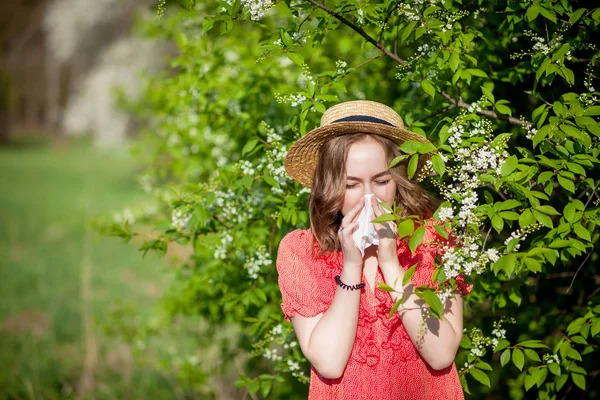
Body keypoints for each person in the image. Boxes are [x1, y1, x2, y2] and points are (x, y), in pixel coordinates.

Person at [277, 100, 471, 399]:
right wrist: (352, 267)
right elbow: (329, 363)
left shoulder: (434, 239)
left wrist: (391, 264)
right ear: (331, 186)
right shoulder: (301, 251)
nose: (369, 198)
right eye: (351, 185)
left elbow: (441, 353)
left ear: (399, 180)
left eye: (381, 181)